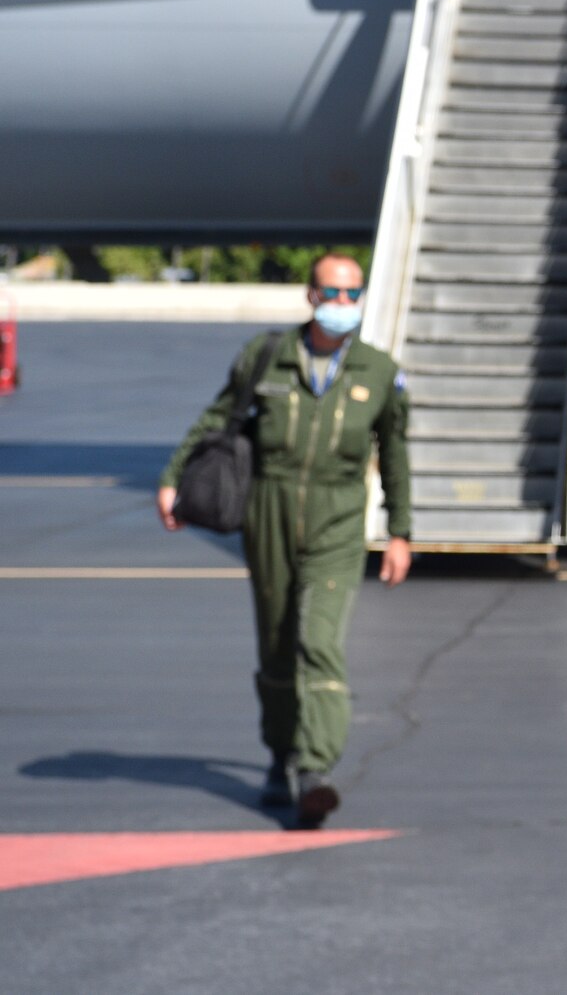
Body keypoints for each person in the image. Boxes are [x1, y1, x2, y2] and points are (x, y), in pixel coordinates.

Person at [157, 253, 412, 828]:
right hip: (268, 510)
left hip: (337, 520)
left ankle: (314, 768)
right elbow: (217, 420)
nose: (344, 305)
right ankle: (279, 753)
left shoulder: (378, 372)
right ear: (310, 296)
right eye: (333, 293)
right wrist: (174, 478)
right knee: (275, 643)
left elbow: (395, 456)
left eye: (354, 294)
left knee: (317, 639)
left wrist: (400, 531)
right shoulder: (265, 358)